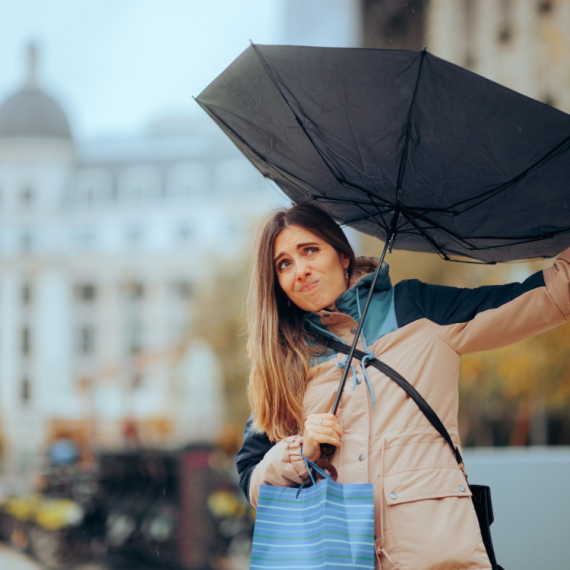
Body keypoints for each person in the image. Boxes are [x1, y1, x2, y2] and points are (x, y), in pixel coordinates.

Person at [237, 202, 570, 570]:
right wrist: (299, 453)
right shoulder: (286, 360)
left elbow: (547, 297)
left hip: (438, 557)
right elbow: (252, 480)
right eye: (284, 264)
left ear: (343, 255)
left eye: (310, 250)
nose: (300, 271)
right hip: (336, 559)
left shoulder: (416, 308)